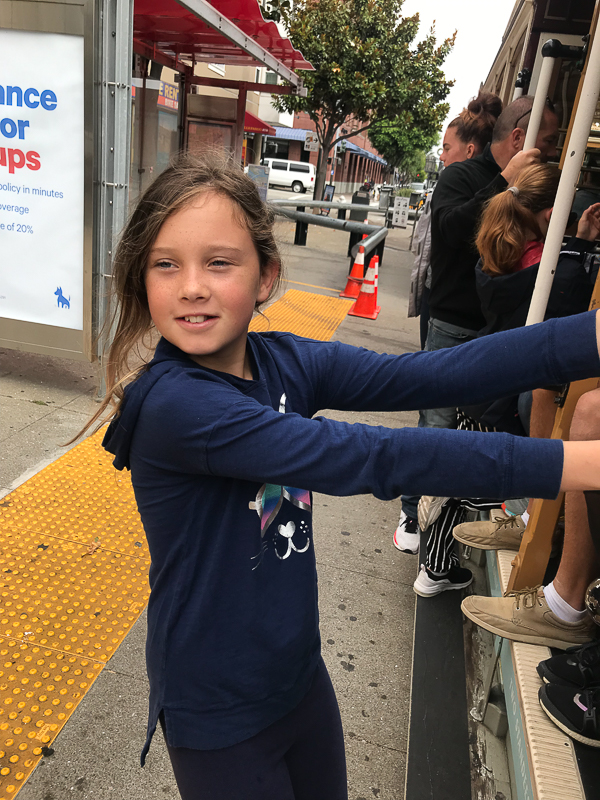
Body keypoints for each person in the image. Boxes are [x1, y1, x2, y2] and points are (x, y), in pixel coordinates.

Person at [82, 155, 600, 799]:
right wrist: (577, 462)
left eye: (219, 262)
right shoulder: (175, 407)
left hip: (299, 677)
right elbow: (371, 456)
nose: (192, 286)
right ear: (142, 277)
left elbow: (434, 376)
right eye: (166, 264)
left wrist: (592, 334)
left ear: (265, 275)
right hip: (217, 709)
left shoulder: (283, 360)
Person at [412, 166, 600, 597]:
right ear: (551, 216)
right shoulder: (544, 262)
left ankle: (435, 563)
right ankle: (437, 567)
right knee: (465, 480)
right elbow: (564, 299)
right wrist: (579, 245)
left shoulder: (506, 245)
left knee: (454, 474)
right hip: (500, 387)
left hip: (483, 376)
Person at [395, 94, 560, 560]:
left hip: (497, 332)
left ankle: (444, 542)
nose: (552, 151)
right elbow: (451, 229)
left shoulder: (533, 185)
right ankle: (412, 516)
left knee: (467, 438)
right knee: (436, 422)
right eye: (547, 141)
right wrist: (505, 183)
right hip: (453, 323)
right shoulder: (462, 177)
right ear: (518, 138)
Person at [408, 92, 503, 350]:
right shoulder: (462, 183)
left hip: (450, 310)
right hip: (441, 297)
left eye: (447, 148)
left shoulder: (465, 181)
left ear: (470, 150)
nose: (441, 156)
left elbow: (449, 231)